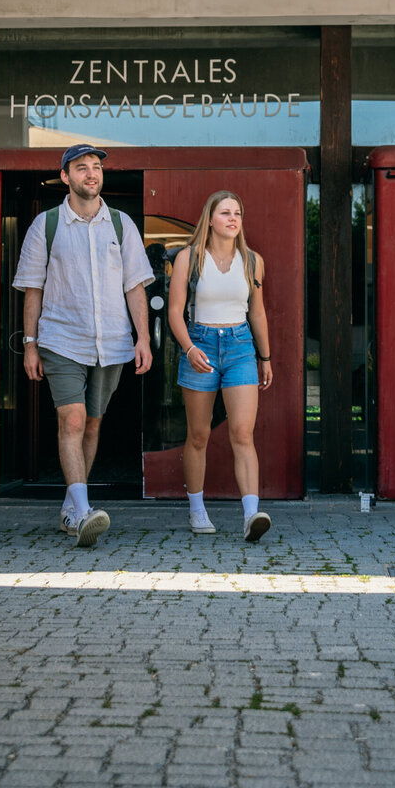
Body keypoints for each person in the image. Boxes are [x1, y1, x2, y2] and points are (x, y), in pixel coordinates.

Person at [13, 144, 154, 547]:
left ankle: (72, 505)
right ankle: (83, 512)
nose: (91, 174)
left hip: (111, 341)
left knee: (93, 423)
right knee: (72, 420)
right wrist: (31, 344)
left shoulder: (123, 224)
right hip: (62, 338)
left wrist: (142, 338)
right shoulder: (47, 224)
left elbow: (135, 287)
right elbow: (32, 289)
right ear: (65, 176)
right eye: (82, 168)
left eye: (96, 168)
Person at [167, 190, 273, 541]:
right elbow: (175, 312)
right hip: (201, 344)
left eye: (238, 213)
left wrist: (265, 356)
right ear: (209, 218)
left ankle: (250, 515)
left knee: (242, 432)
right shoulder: (189, 258)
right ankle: (197, 510)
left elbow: (256, 312)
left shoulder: (252, 260)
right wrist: (189, 347)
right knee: (198, 435)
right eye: (225, 212)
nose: (233, 218)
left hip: (241, 346)